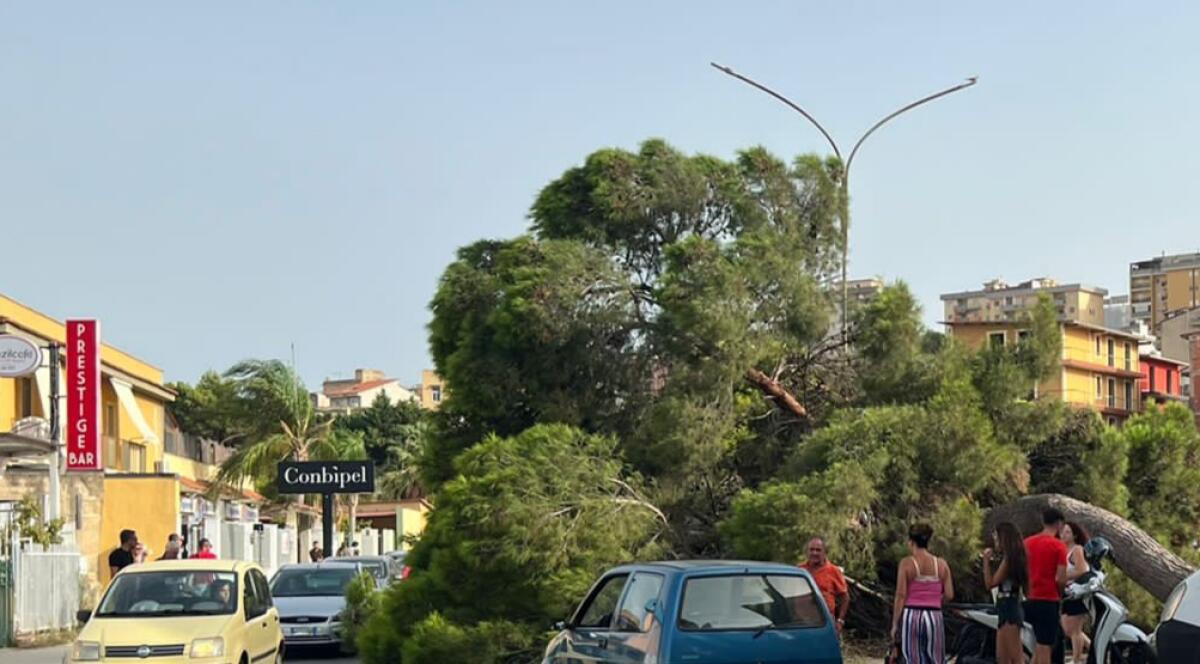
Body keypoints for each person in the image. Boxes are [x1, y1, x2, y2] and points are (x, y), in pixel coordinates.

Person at [891, 524, 954, 664]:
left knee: (913, 658)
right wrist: (934, 600)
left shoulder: (907, 564)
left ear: (911, 542)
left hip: (912, 614)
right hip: (934, 615)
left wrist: (895, 624)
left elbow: (900, 595)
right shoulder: (942, 565)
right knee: (936, 658)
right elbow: (949, 594)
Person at [1025, 508, 1069, 664]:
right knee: (1045, 645)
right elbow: (1061, 578)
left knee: (1041, 642)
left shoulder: (1027, 542)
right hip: (1048, 599)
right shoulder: (1058, 546)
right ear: (1059, 524)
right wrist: (1061, 593)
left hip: (1030, 597)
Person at [984, 522, 1029, 664]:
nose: (996, 542)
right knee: (1002, 657)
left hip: (1010, 608)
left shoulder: (1009, 559)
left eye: (997, 538)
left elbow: (990, 583)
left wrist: (986, 561)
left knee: (1015, 656)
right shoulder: (1013, 558)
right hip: (1006, 606)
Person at [798, 537, 849, 634]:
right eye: (812, 550)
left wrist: (840, 621)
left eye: (818, 550)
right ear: (807, 552)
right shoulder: (800, 570)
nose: (814, 553)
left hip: (824, 624)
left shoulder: (833, 571)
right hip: (801, 624)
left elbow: (845, 598)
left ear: (825, 552)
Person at [1060, 522, 1092, 664]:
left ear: (1074, 535)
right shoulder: (1062, 550)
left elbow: (1082, 570)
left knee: (1075, 629)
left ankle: (1076, 659)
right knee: (1067, 628)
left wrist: (1064, 576)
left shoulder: (1077, 549)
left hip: (1077, 592)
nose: (1063, 535)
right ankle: (1093, 648)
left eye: (1067, 532)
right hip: (1066, 593)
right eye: (1063, 532)